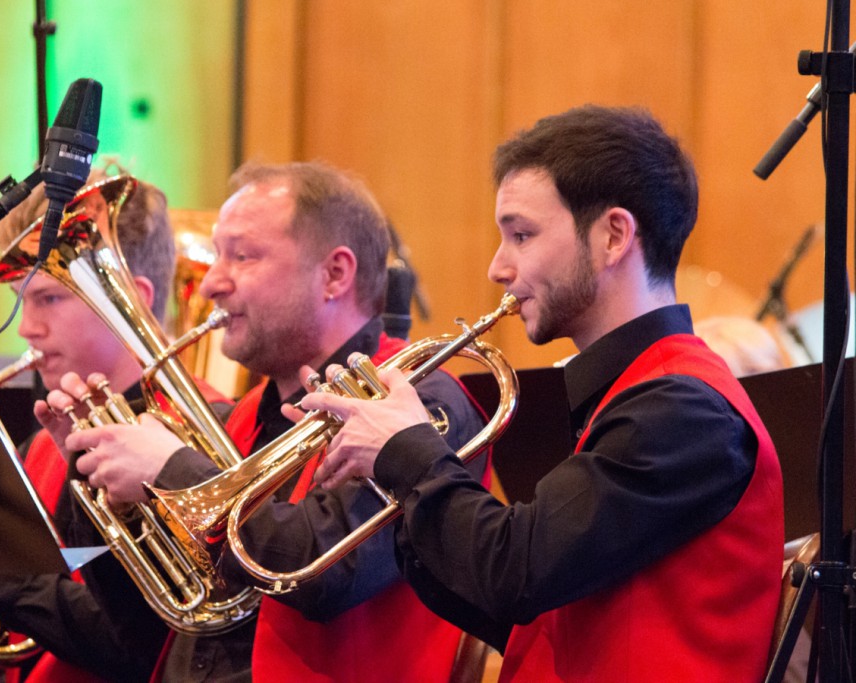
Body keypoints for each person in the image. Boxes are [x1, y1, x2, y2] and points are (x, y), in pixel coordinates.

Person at [301, 106, 785, 682]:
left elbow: (515, 571)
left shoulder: (683, 408)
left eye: (522, 235)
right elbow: (518, 610)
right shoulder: (637, 391)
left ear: (613, 236)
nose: (497, 267)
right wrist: (383, 469)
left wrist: (408, 449)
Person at [40, 160, 489, 682]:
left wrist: (171, 473)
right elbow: (151, 638)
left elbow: (323, 570)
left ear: (335, 274)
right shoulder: (235, 420)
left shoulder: (416, 404)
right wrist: (93, 484)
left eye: (242, 256)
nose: (209, 284)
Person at [0, 170, 191, 682]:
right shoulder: (43, 444)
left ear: (132, 299)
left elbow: (142, 642)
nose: (27, 328)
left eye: (49, 298)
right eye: (20, 299)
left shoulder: (184, 446)